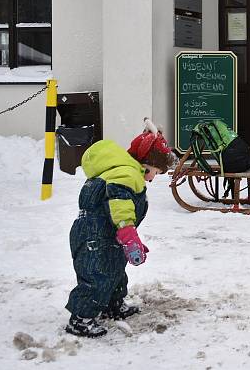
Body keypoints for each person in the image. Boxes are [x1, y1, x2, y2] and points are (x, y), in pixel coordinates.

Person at [64, 118, 176, 337]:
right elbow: (120, 205)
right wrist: (128, 233)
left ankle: (112, 305)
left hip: (106, 234)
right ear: (146, 164)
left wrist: (130, 238)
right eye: (156, 172)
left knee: (115, 271)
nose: (154, 178)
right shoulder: (126, 174)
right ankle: (80, 319)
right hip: (94, 237)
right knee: (98, 276)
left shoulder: (124, 172)